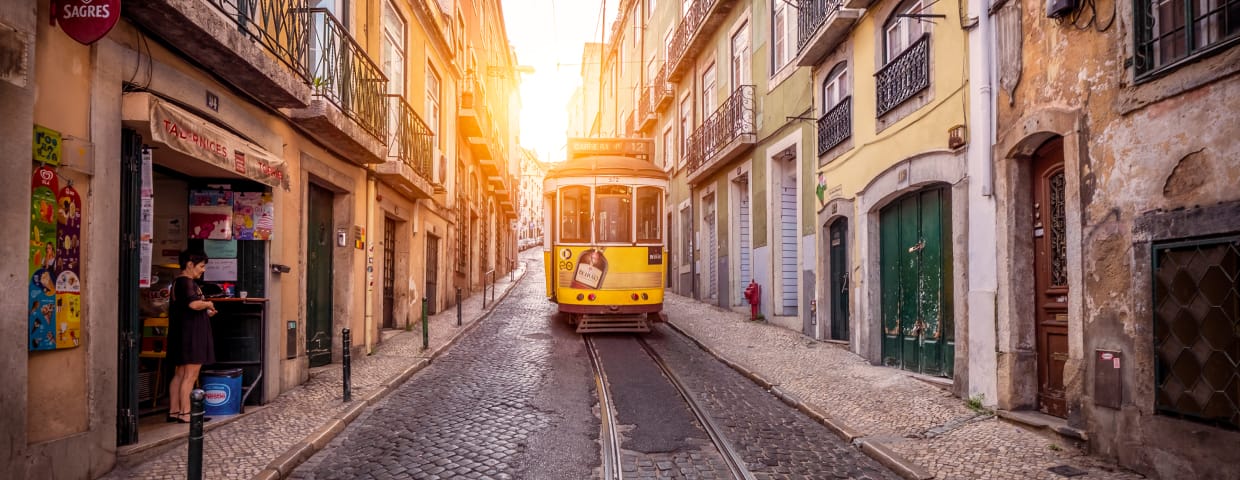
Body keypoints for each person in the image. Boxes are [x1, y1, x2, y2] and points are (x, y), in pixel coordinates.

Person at [166, 250, 216, 424]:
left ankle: (174, 410)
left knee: (180, 373)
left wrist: (206, 312)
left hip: (182, 333)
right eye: (201, 266)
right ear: (189, 264)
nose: (203, 270)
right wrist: (208, 303)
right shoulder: (186, 282)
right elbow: (193, 304)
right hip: (192, 335)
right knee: (190, 374)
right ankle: (186, 413)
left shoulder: (178, 283)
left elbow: (187, 308)